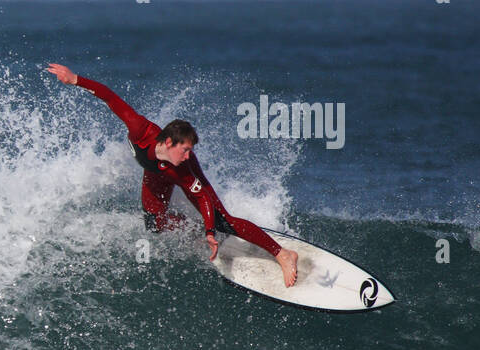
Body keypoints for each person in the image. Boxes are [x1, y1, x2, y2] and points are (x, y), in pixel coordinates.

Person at [46, 63, 298, 287]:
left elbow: (202, 198)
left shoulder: (185, 169)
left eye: (191, 150)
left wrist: (210, 230)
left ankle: (282, 253)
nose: (189, 155)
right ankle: (197, 234)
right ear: (168, 142)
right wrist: (75, 79)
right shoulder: (138, 128)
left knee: (221, 220)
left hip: (168, 172)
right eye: (185, 149)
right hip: (154, 171)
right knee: (154, 224)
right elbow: (111, 98)